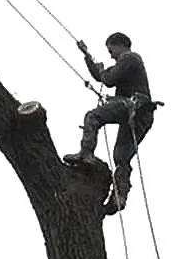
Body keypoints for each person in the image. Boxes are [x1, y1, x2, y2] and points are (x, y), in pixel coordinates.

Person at [64, 32, 155, 215]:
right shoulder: (130, 63)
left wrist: (102, 70)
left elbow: (108, 80)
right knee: (121, 156)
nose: (111, 55)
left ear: (119, 44)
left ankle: (86, 153)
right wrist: (87, 56)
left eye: (111, 50)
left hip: (132, 105)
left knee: (92, 117)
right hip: (142, 113)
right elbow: (102, 78)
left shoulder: (130, 58)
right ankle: (119, 196)